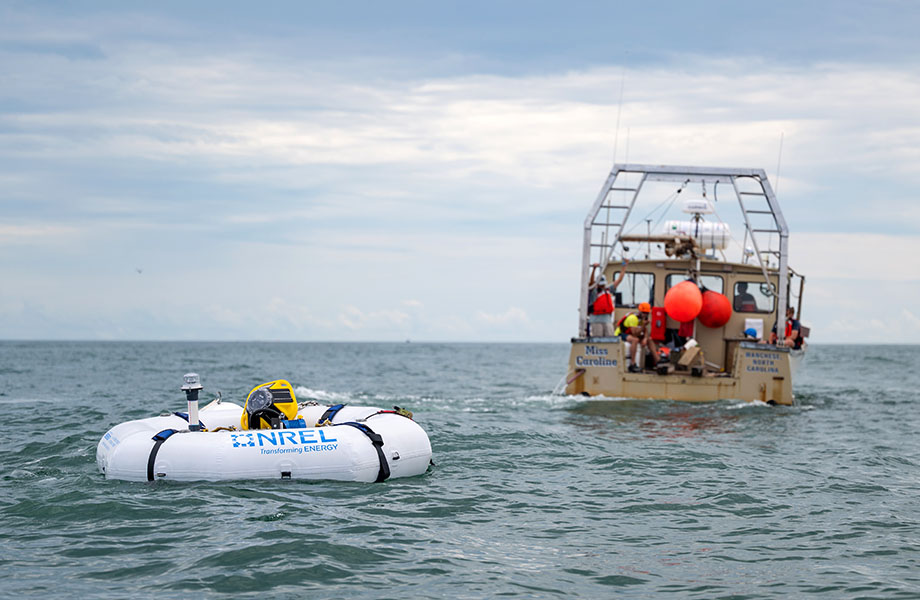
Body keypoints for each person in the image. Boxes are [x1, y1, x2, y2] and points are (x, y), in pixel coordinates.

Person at [586, 260, 629, 336]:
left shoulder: (608, 289)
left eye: (603, 284)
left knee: (610, 338)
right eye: (600, 284)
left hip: (607, 320)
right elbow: (591, 283)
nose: (602, 286)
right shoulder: (594, 291)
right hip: (596, 321)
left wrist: (624, 266)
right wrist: (594, 269)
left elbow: (619, 280)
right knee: (597, 339)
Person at [614, 302, 657, 372]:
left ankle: (657, 361)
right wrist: (643, 325)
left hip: (631, 334)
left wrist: (645, 339)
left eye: (646, 313)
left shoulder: (642, 319)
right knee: (635, 340)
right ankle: (633, 364)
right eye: (643, 312)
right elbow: (634, 333)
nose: (645, 315)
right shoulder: (633, 318)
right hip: (620, 334)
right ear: (640, 311)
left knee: (649, 339)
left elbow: (645, 331)